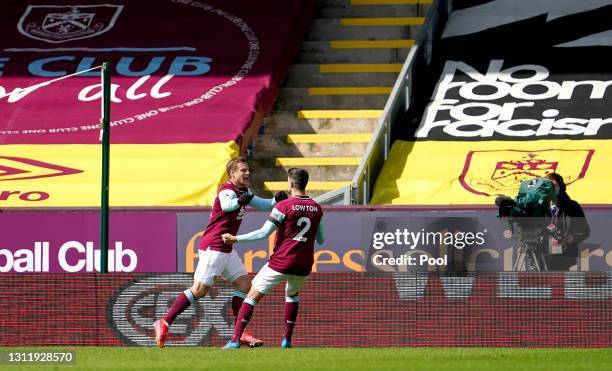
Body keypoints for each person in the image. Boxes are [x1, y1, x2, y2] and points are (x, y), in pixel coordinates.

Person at [153, 157, 288, 348]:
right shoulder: (226, 190)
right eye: (243, 170)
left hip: (226, 248)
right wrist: (241, 200)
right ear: (232, 173)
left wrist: (276, 199)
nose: (247, 173)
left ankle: (241, 333)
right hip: (214, 247)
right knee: (199, 290)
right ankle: (164, 322)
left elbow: (263, 205)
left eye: (248, 170)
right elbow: (227, 206)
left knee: (246, 287)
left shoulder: (244, 191)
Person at [221, 168, 324, 349]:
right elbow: (321, 240)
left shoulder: (283, 206)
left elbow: (263, 233)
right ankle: (286, 340)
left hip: (281, 261)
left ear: (290, 184)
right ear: (305, 183)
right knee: (291, 294)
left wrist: (235, 238)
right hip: (304, 264)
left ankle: (235, 340)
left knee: (251, 295)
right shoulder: (317, 208)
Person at [544, 172, 590, 270]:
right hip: (544, 258)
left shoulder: (572, 207)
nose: (550, 189)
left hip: (566, 257)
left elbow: (585, 231)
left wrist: (573, 238)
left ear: (560, 187)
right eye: (547, 187)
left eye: (554, 185)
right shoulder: (540, 208)